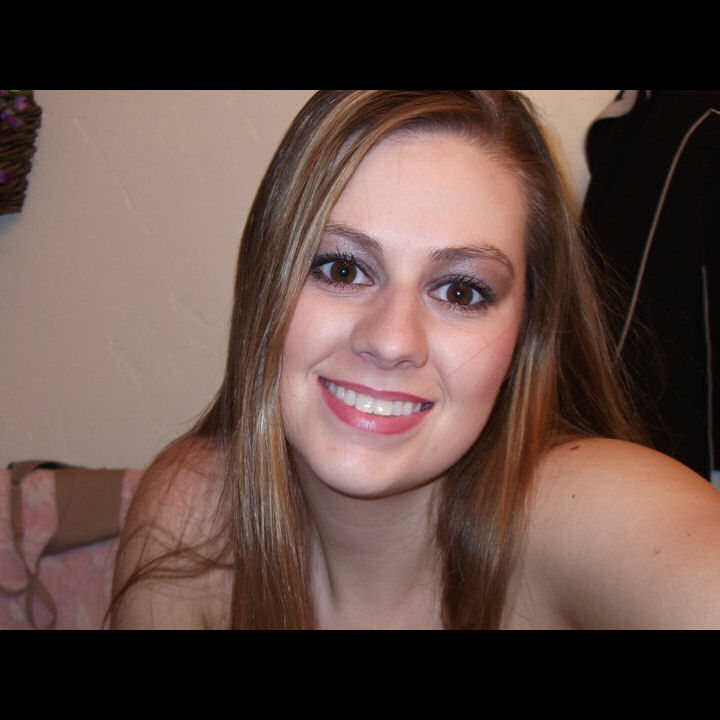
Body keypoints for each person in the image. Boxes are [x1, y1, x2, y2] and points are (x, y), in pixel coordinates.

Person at [110, 90, 720, 629]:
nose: (392, 340)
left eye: (461, 291)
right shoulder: (191, 513)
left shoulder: (592, 517)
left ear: (526, 334)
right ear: (264, 285)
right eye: (342, 269)